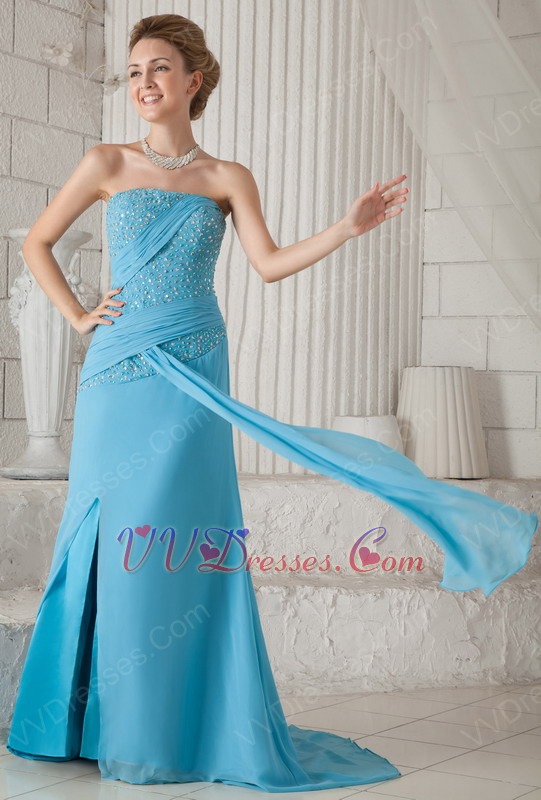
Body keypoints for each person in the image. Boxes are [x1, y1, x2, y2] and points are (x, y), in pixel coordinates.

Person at [6, 12, 538, 793]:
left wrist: (345, 228)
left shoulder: (228, 178)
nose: (143, 83)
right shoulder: (105, 161)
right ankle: (89, 721)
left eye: (159, 68)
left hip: (195, 363)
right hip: (119, 372)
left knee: (177, 534)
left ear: (193, 80)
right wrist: (80, 315)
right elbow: (36, 243)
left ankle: (165, 725)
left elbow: (269, 263)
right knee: (111, 531)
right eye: (134, 71)